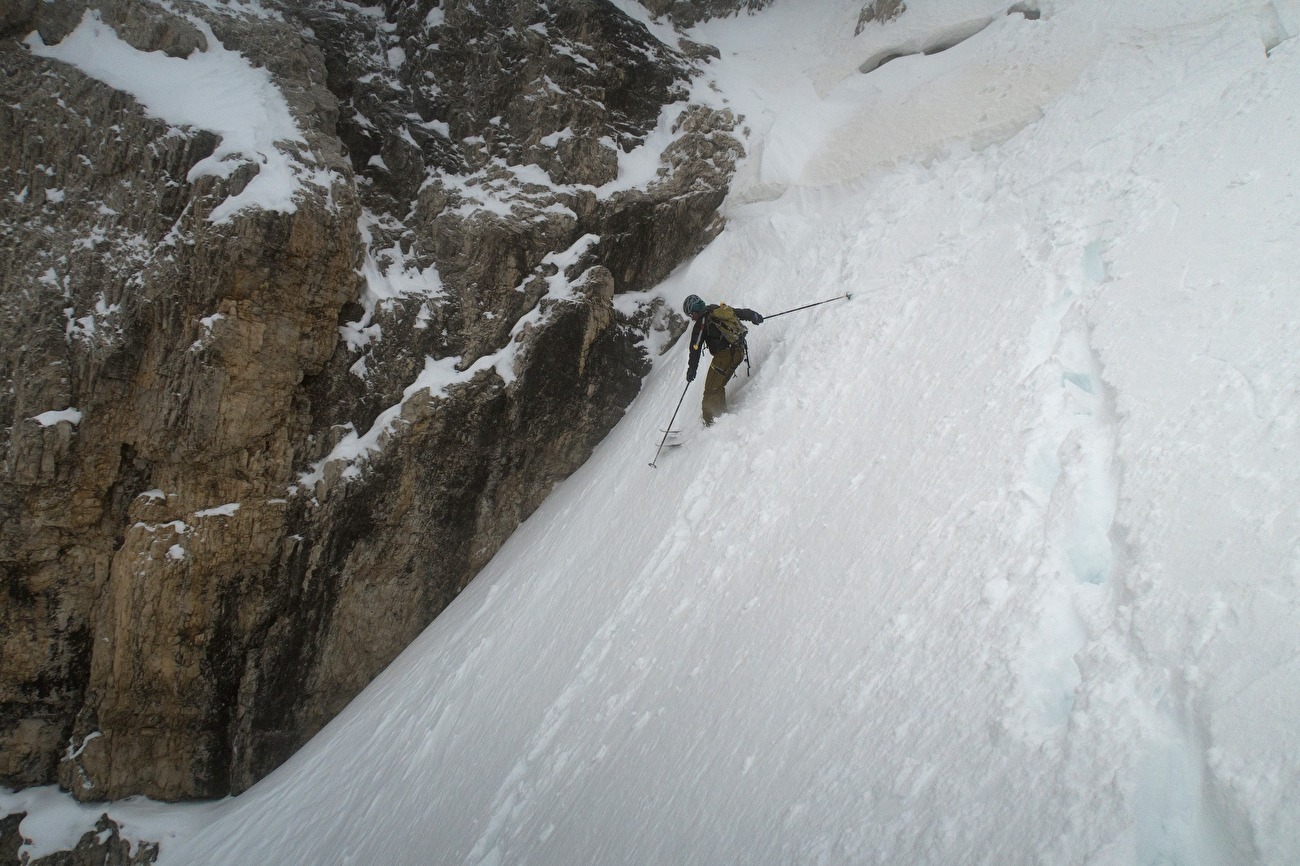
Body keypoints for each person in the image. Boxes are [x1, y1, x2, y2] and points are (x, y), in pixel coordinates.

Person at [683, 294, 764, 425]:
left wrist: (692, 369)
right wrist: (755, 316)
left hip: (724, 357)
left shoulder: (702, 322)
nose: (692, 318)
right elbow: (740, 313)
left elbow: (695, 348)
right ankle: (721, 418)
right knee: (718, 386)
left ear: (695, 310)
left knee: (710, 391)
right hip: (739, 352)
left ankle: (711, 424)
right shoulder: (717, 310)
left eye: (691, 314)